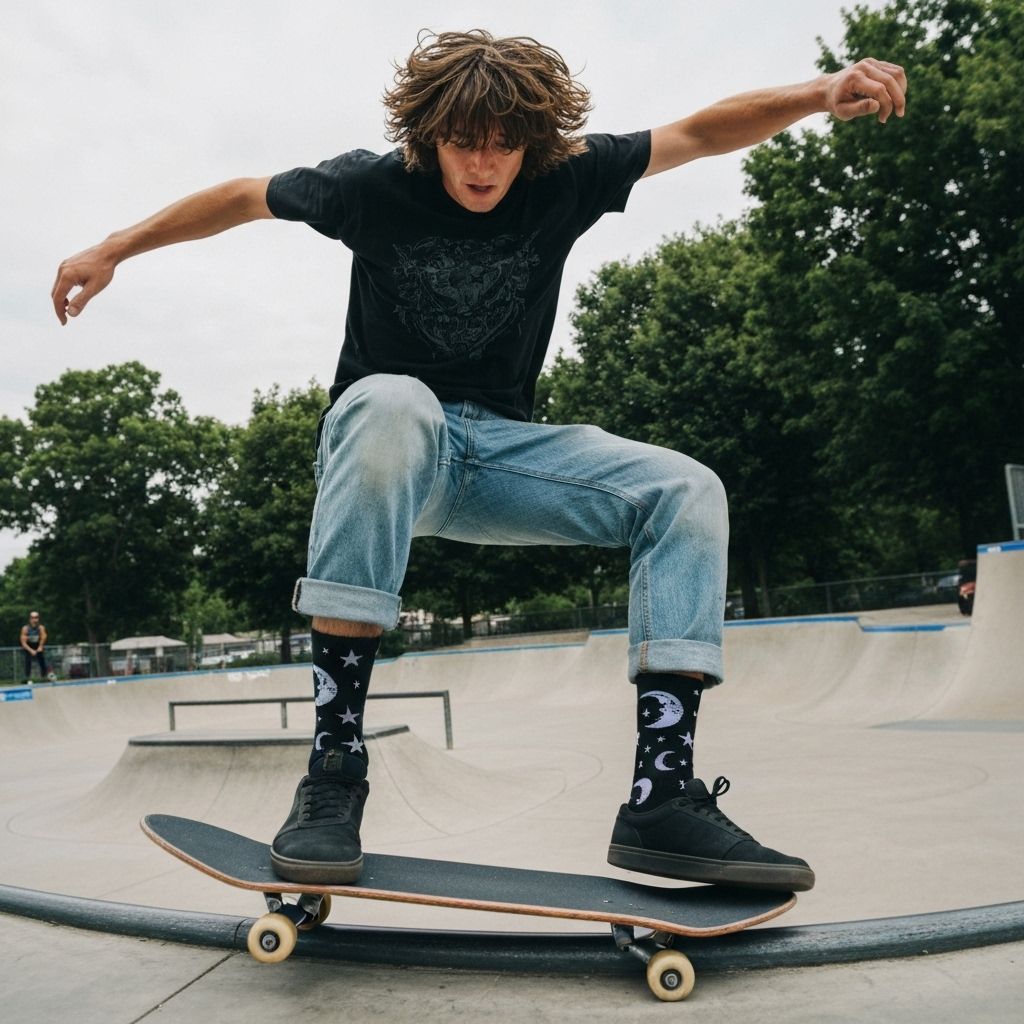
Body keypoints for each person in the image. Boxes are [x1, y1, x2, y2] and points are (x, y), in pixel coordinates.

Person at [53, 30, 906, 891]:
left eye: (505, 145)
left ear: (534, 141)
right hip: (388, 452)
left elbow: (695, 133)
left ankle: (661, 799)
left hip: (503, 458)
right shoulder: (369, 186)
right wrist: (113, 248)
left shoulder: (566, 175)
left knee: (686, 490)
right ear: (429, 137)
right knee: (395, 400)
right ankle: (333, 775)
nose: (485, 164)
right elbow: (240, 196)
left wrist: (817, 92)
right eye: (465, 143)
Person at [20, 611, 52, 682]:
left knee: (42, 660)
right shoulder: (25, 629)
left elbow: (43, 638)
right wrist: (31, 650)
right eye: (33, 618)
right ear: (30, 619)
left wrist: (40, 647)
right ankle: (27, 678)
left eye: (36, 618)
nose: (34, 620)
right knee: (28, 661)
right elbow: (23, 642)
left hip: (38, 645)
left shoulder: (41, 628)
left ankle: (44, 676)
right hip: (28, 646)